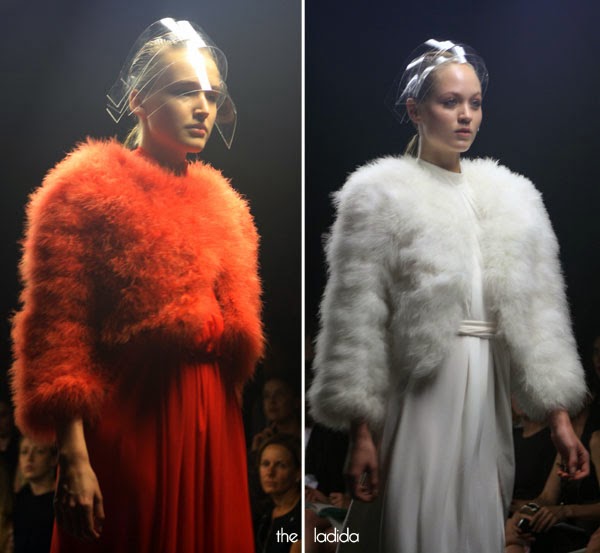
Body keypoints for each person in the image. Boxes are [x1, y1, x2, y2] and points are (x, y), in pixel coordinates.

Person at [308, 38, 589, 553]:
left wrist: (559, 420)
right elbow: (356, 320)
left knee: (474, 525)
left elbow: (540, 313)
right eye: (450, 101)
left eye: (475, 103)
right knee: (413, 522)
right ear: (415, 109)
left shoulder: (514, 198)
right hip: (419, 390)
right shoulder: (380, 193)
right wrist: (361, 432)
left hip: (487, 390)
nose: (466, 115)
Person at [10, 18, 263, 553]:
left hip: (213, 421)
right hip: (133, 418)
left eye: (212, 95)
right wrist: (73, 456)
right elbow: (59, 334)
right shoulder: (84, 191)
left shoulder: (227, 208)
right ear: (137, 99)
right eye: (184, 90)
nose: (203, 108)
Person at [255, 434, 301, 553]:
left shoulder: (302, 517)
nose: (270, 472)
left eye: (281, 465)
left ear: (298, 473)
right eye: (265, 464)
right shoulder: (263, 512)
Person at [13, 437, 57, 553]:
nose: (29, 458)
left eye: (39, 451)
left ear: (53, 459)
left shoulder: (60, 501)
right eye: (24, 452)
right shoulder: (20, 497)